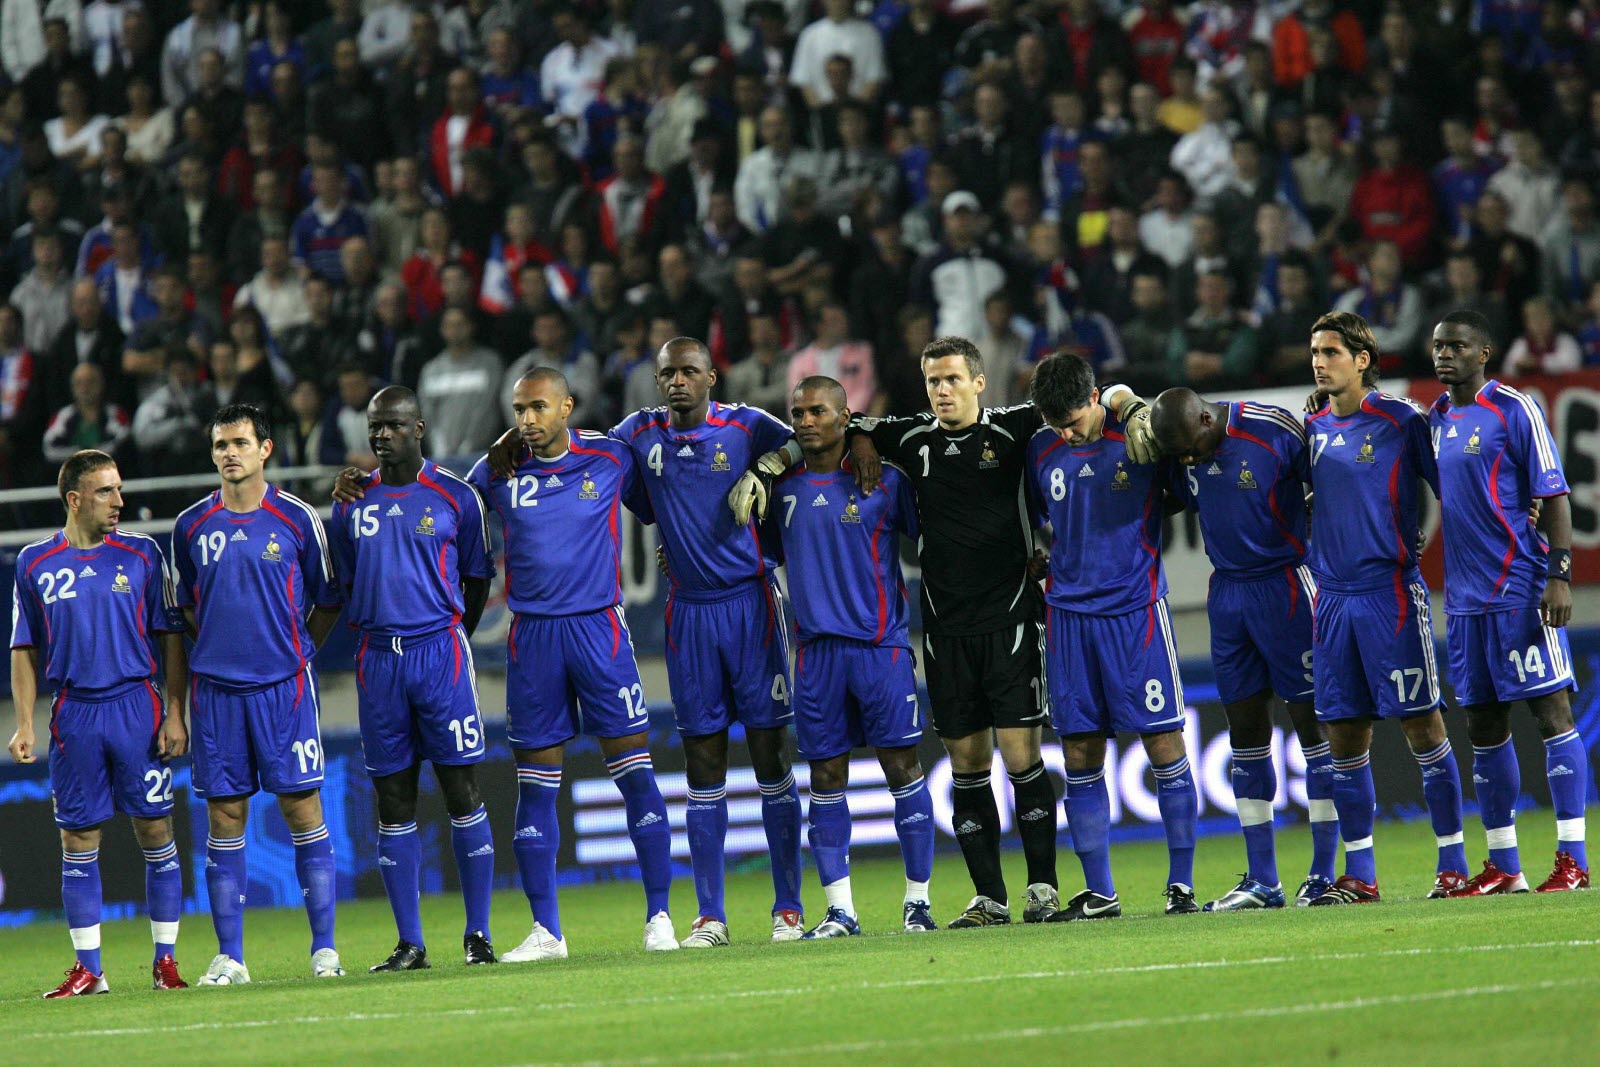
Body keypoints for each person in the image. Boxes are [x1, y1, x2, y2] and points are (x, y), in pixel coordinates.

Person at [757, 340, 1153, 926]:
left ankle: (1042, 888)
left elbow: (1092, 404)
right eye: (932, 381)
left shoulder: (1019, 429)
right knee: (967, 765)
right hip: (944, 626)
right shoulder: (910, 438)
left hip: (1013, 614)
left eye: (951, 380)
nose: (941, 391)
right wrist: (857, 438)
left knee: (1023, 760)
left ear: (979, 382)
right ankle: (988, 897)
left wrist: (1129, 400)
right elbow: (842, 423)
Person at [469, 368, 678, 958]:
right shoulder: (498, 471)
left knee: (635, 772)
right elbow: (450, 504)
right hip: (532, 638)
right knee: (534, 787)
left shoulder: (611, 457)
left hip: (600, 631)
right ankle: (546, 931)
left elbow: (660, 503)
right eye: (518, 410)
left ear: (567, 407)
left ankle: (659, 917)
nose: (527, 421)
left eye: (537, 407)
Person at [172, 403, 345, 983]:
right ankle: (231, 957)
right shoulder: (191, 527)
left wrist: (297, 652)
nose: (229, 453)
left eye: (240, 443)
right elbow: (188, 607)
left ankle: (325, 951)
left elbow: (328, 598)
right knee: (224, 817)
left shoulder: (297, 519)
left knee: (302, 808)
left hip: (285, 690)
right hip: (217, 694)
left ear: (264, 449)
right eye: (220, 444)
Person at [1148, 388, 1341, 908]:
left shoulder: (1272, 428)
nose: (1190, 461)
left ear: (1208, 418)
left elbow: (1334, 478)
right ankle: (1263, 880)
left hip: (1287, 586)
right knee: (1246, 734)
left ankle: (1324, 874)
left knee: (1313, 729)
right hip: (1227, 593)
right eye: (1181, 457)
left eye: (1194, 448)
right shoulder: (1181, 450)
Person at [327, 387, 498, 971]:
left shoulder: (457, 496)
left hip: (440, 653)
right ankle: (411, 943)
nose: (382, 435)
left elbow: (477, 579)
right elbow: (347, 585)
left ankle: (477, 935)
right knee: (392, 800)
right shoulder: (351, 503)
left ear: (419, 428)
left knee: (462, 792)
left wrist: (450, 636)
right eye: (375, 426)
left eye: (394, 425)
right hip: (378, 660)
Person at [9, 450, 190, 997]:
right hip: (74, 712)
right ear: (75, 499)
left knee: (155, 830)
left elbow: (171, 635)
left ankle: (166, 963)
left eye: (119, 489)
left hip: (138, 705)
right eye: (107, 492)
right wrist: (24, 723)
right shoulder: (34, 563)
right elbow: (23, 648)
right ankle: (90, 969)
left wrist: (176, 710)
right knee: (78, 838)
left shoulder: (142, 554)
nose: (120, 501)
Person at [1024, 352, 1198, 921]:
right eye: (1057, 425)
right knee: (1079, 750)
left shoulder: (1138, 435)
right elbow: (1035, 521)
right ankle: (1101, 892)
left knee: (1164, 743)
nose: (1067, 433)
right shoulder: (1039, 449)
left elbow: (1188, 477)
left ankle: (1181, 885)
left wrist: (1129, 400)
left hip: (1136, 613)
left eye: (1074, 420)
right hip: (1068, 618)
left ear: (1096, 396)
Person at [1302, 311, 1467, 905]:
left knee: (1422, 724)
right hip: (1332, 601)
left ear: (1362, 359)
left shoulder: (1402, 420)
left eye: (1331, 352)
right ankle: (1360, 875)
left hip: (1390, 595)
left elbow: (1456, 488)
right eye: (1315, 353)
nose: (1319, 362)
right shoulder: (1311, 425)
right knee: (1343, 734)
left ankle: (1452, 864)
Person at [762, 375, 935, 937]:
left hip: (879, 648)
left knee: (901, 768)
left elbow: (933, 540)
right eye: (797, 413)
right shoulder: (779, 489)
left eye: (817, 411)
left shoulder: (884, 481)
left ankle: (918, 904)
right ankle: (841, 911)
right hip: (815, 655)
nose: (806, 421)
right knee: (826, 776)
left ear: (845, 418)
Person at [1427, 312, 1589, 894]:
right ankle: (1504, 865)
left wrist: (1559, 574)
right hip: (1466, 603)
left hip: (1520, 589)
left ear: (1484, 352)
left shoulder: (1515, 409)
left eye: (1457, 345)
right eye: (1439, 345)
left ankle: (1574, 859)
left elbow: (1555, 494)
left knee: (1552, 716)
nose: (1445, 354)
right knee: (1484, 726)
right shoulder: (1438, 418)